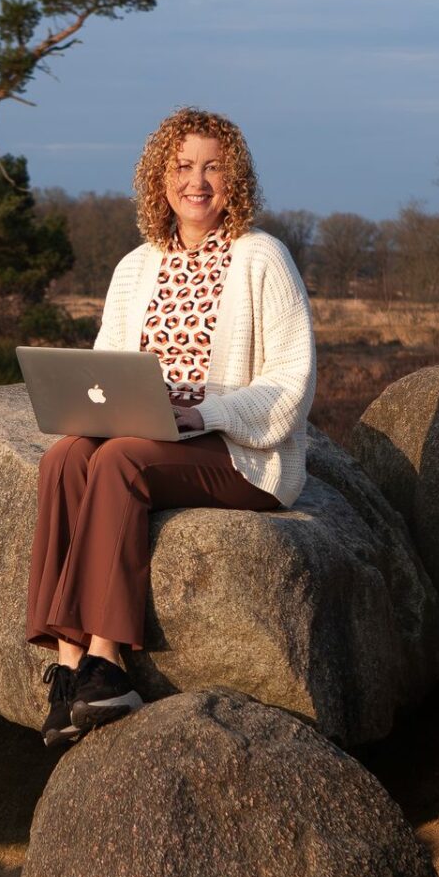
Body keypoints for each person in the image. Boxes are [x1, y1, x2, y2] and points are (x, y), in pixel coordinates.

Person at [25, 106, 316, 748]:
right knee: (64, 458)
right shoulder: (135, 266)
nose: (197, 181)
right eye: (183, 166)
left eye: (214, 167)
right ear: (160, 179)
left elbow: (291, 381)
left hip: (238, 451)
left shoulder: (263, 257)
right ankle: (69, 673)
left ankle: (108, 664)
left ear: (236, 181)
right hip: (151, 431)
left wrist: (202, 414)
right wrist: (98, 412)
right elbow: (105, 368)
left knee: (119, 461)